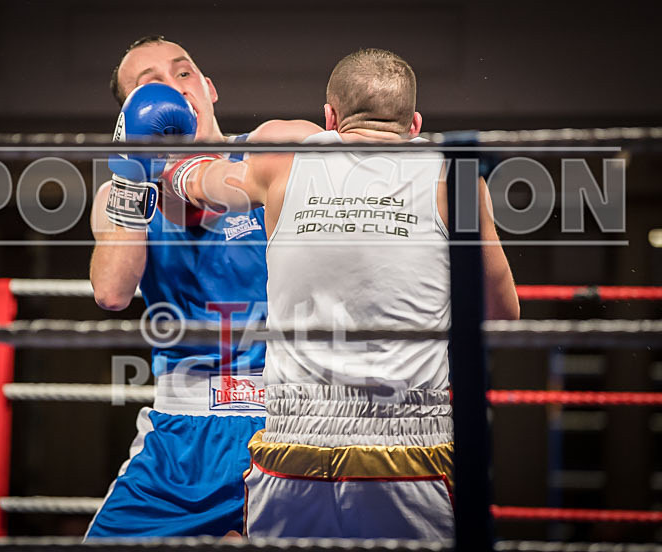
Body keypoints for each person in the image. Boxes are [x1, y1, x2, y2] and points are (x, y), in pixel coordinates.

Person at [157, 48, 520, 538]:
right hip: (409, 452)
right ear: (414, 123)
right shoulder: (453, 176)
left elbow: (199, 180)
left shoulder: (283, 163)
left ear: (329, 118)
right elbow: (501, 313)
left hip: (293, 449)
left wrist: (159, 154)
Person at [86, 36, 297, 538]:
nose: (174, 91)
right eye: (151, 85)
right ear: (132, 115)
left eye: (183, 74)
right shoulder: (119, 194)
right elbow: (112, 291)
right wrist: (135, 177)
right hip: (182, 437)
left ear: (209, 88)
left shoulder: (269, 164)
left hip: (291, 423)